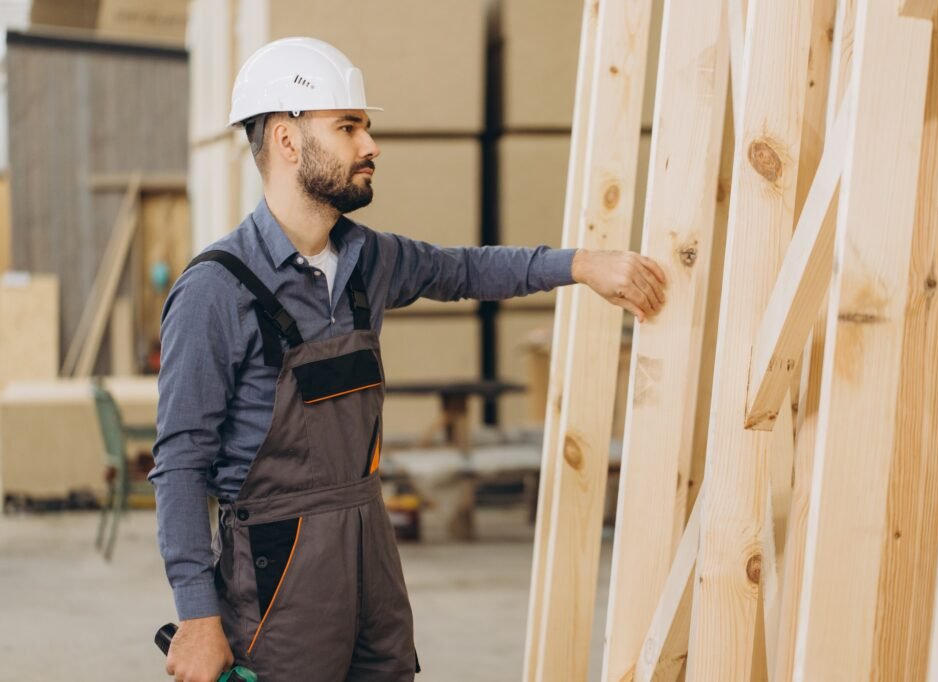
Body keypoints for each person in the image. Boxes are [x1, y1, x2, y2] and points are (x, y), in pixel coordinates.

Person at [151, 37, 667, 682]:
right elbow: (179, 463)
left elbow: (468, 269)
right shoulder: (214, 291)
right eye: (348, 127)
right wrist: (198, 617)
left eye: (365, 126)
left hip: (370, 549)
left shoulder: (370, 259)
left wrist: (582, 264)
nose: (370, 146)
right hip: (275, 574)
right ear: (286, 140)